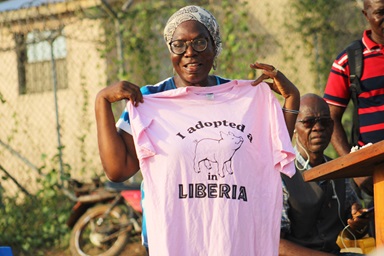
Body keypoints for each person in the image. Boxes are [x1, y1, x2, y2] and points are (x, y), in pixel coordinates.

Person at [95, 5, 300, 255]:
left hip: (235, 236)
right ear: (170, 51)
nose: (190, 53)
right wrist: (102, 102)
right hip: (174, 239)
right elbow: (117, 171)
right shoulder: (149, 100)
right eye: (179, 45)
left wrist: (292, 98)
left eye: (200, 43)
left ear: (215, 48)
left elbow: (271, 156)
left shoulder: (245, 100)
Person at [280, 93, 373, 256]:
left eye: (324, 122)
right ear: (294, 127)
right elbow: (275, 243)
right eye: (309, 122)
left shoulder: (340, 172)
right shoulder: (281, 174)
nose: (318, 128)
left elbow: (355, 232)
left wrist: (358, 224)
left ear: (331, 127)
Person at [323, 0, 384, 196]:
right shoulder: (349, 61)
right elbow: (330, 118)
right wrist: (356, 170)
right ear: (366, 15)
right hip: (377, 175)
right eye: (380, 12)